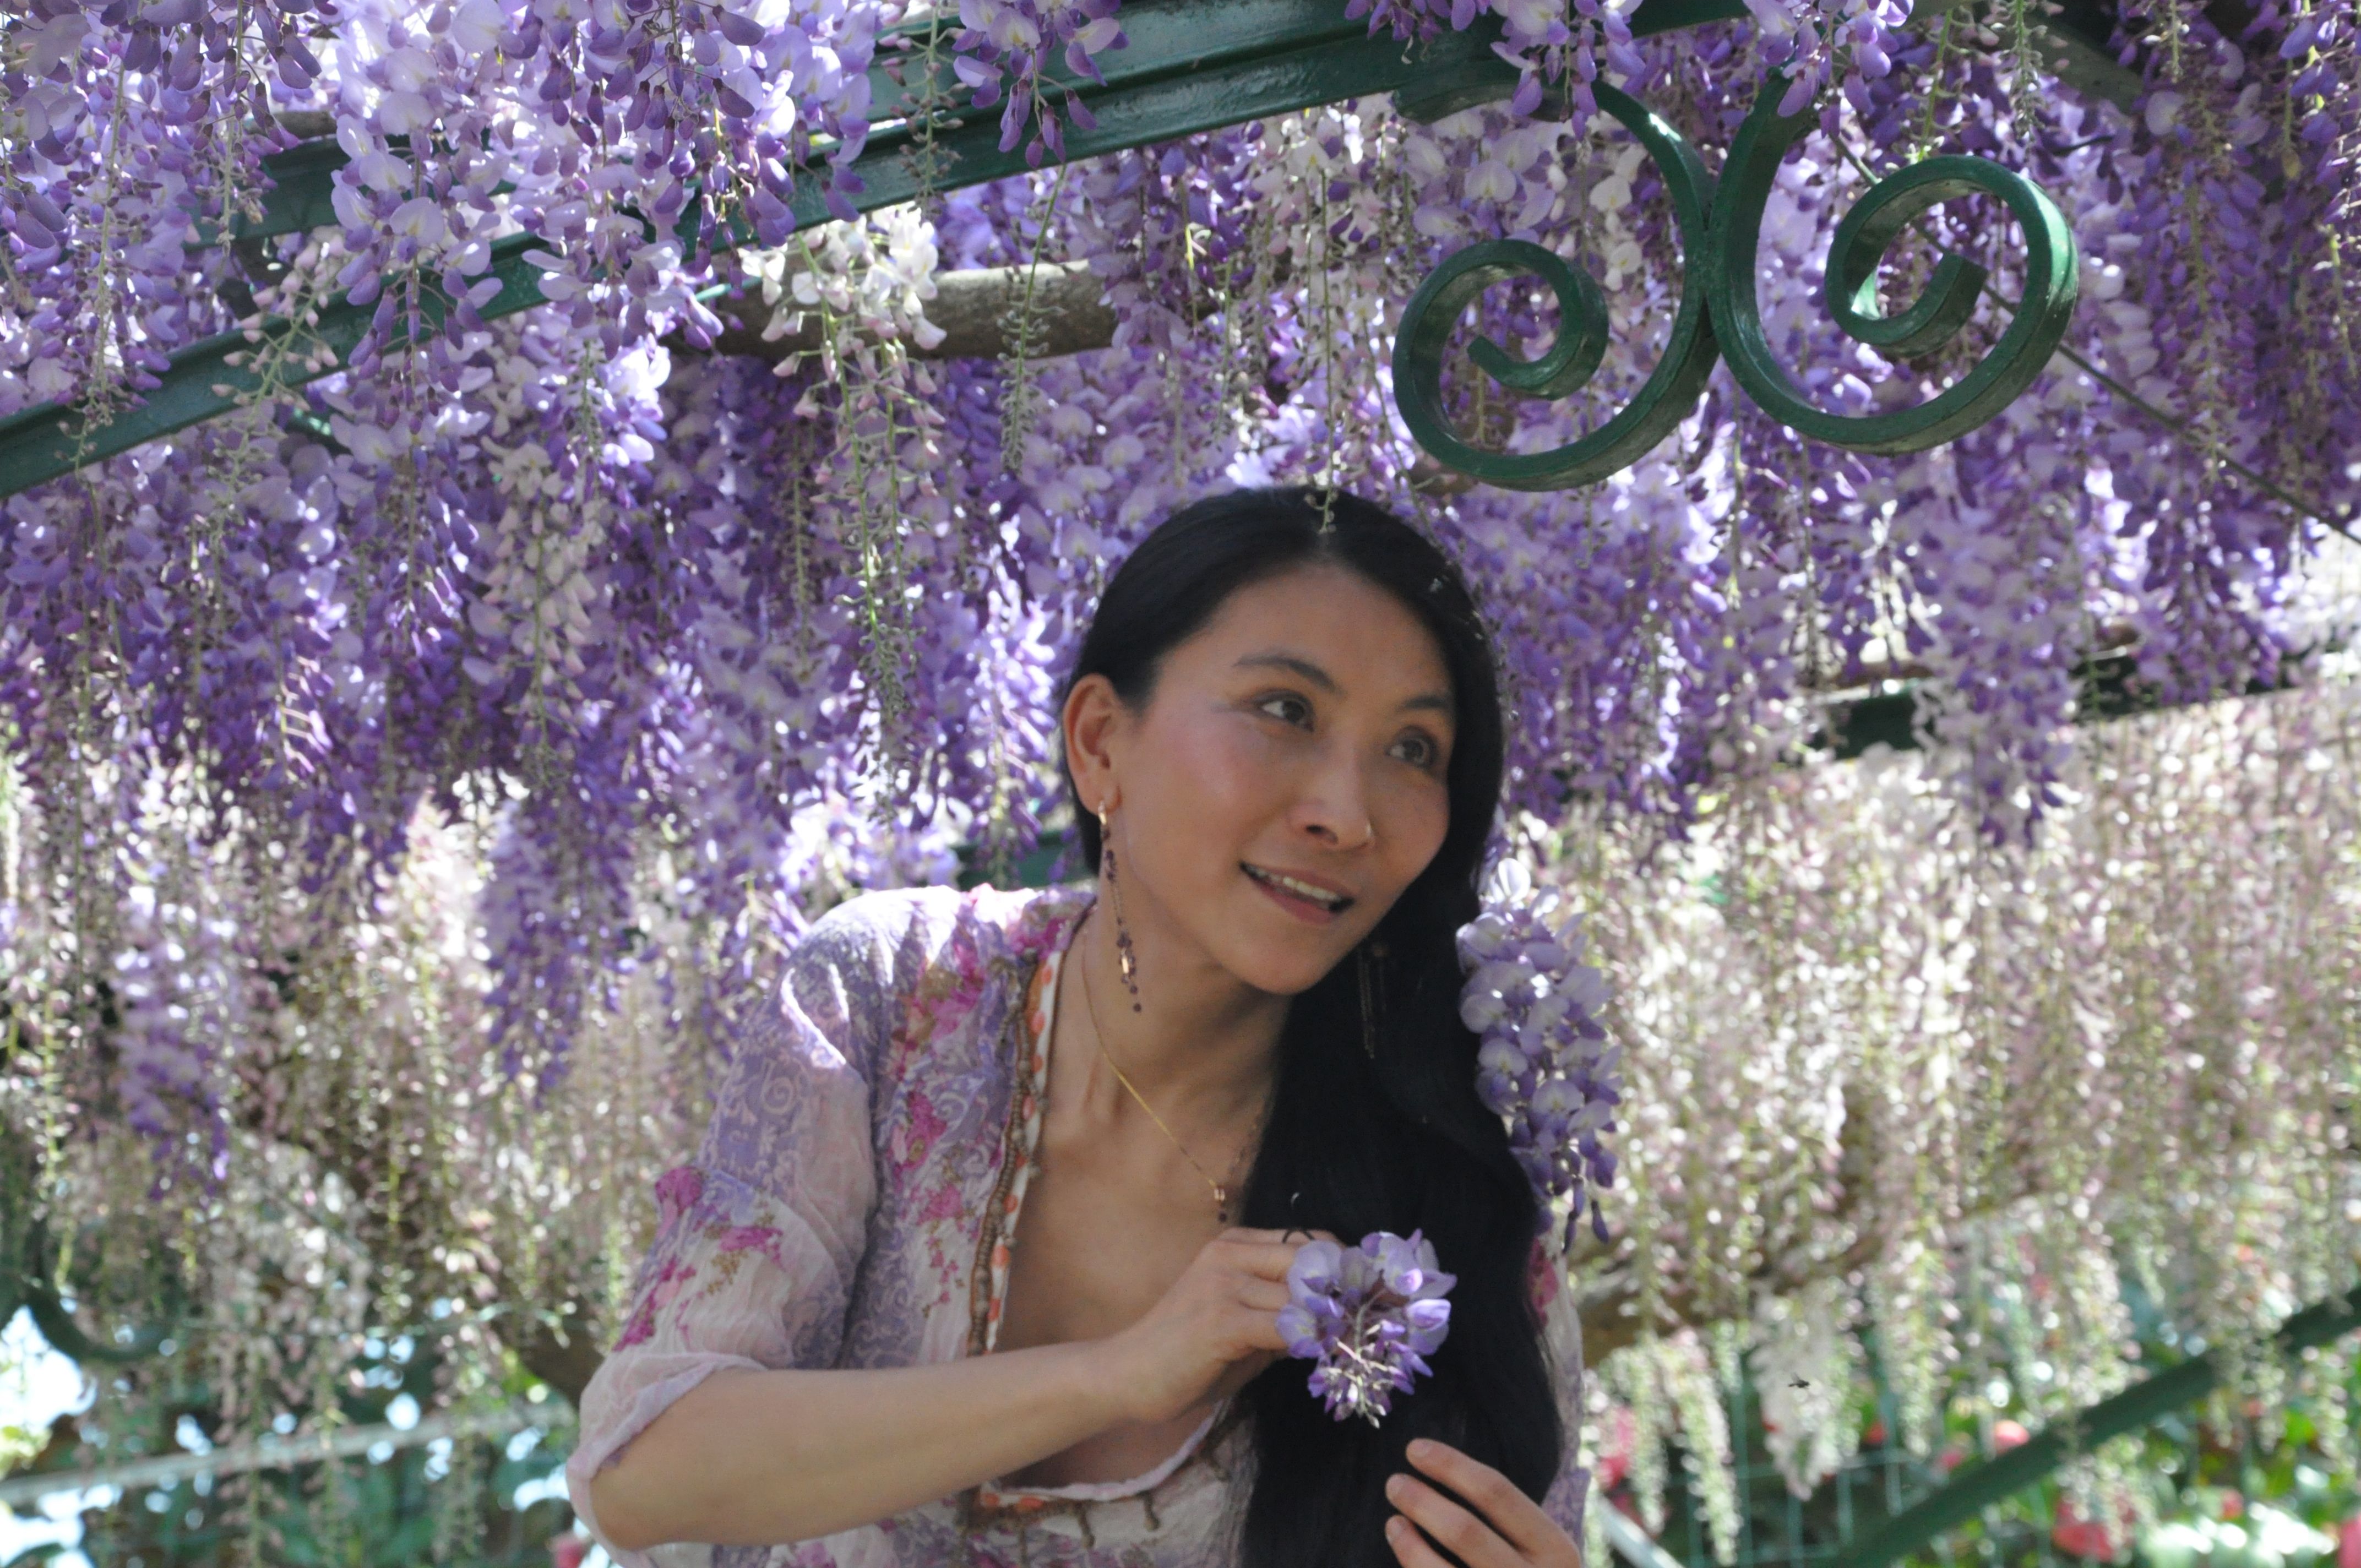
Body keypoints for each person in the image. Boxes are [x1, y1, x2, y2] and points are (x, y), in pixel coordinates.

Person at [564, 487, 1590, 1568]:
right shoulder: (896, 995)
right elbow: (640, 1466)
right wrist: (1123, 1368)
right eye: (1285, 709)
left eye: (1415, 748)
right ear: (1099, 742)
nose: (1348, 811)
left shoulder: (1448, 1185)